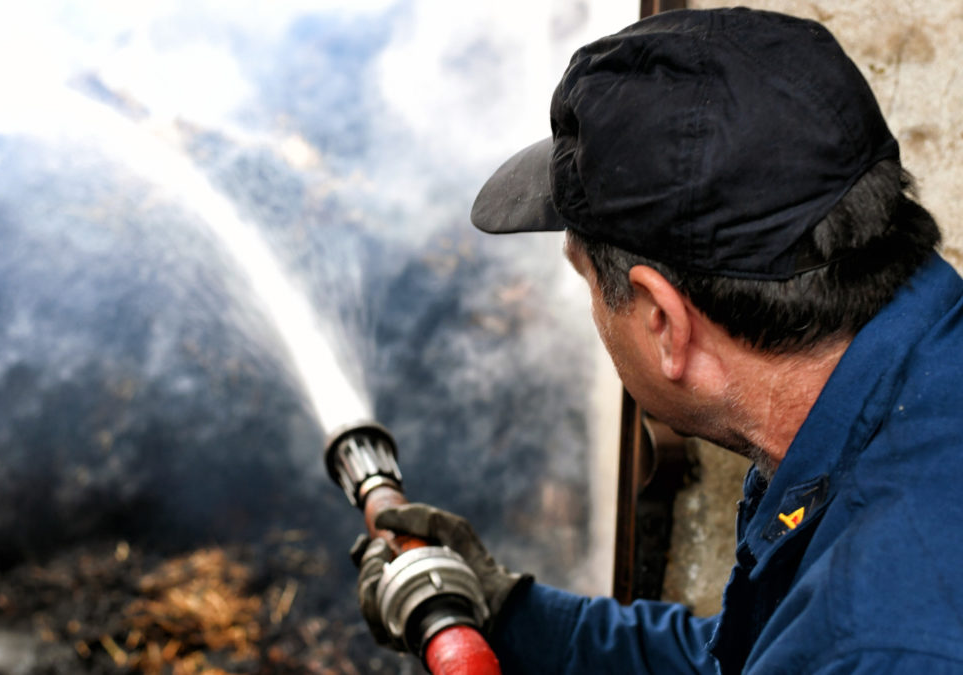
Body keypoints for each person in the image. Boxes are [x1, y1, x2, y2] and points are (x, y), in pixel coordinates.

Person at [352, 7, 963, 674]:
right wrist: (509, 613)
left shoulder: (880, 641)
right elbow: (743, 658)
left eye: (586, 280)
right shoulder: (917, 377)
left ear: (665, 324)